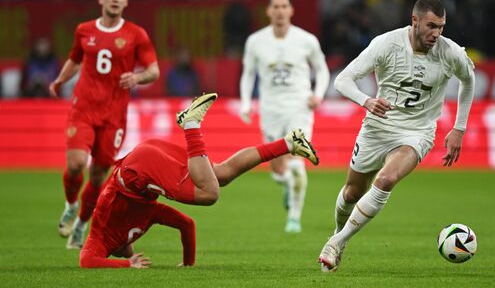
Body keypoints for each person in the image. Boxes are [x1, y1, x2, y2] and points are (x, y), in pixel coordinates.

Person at [318, 0, 475, 272]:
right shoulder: (386, 44)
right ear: (414, 21)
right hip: (378, 127)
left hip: (418, 131)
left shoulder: (451, 52)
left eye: (441, 27)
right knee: (352, 192)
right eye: (431, 26)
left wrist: (459, 128)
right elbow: (342, 80)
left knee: (387, 178)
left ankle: (335, 242)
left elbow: (468, 80)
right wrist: (366, 101)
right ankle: (338, 234)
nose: (436, 33)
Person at [79, 93, 319, 268]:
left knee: (209, 193)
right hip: (144, 160)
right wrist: (188, 265)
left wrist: (128, 265)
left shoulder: (100, 238)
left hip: (138, 174)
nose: (130, 250)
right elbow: (187, 225)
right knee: (222, 175)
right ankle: (289, 143)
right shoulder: (146, 216)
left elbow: (87, 261)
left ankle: (191, 124)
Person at [49, 0, 160, 249]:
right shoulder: (84, 30)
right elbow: (75, 59)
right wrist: (61, 80)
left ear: (126, 1)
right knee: (76, 164)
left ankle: (82, 225)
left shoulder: (136, 34)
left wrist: (137, 77)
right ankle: (71, 204)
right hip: (83, 109)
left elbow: (154, 70)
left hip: (114, 115)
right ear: (101, 0)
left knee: (98, 176)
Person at [239, 0, 330, 233]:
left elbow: (321, 70)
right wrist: (246, 103)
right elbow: (248, 73)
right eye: (275, 7)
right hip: (270, 108)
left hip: (299, 106)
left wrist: (318, 94)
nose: (280, 11)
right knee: (277, 167)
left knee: (296, 160)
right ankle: (288, 184)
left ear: (291, 11)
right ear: (268, 12)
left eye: (284, 7)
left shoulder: (306, 40)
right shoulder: (255, 41)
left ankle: (294, 218)